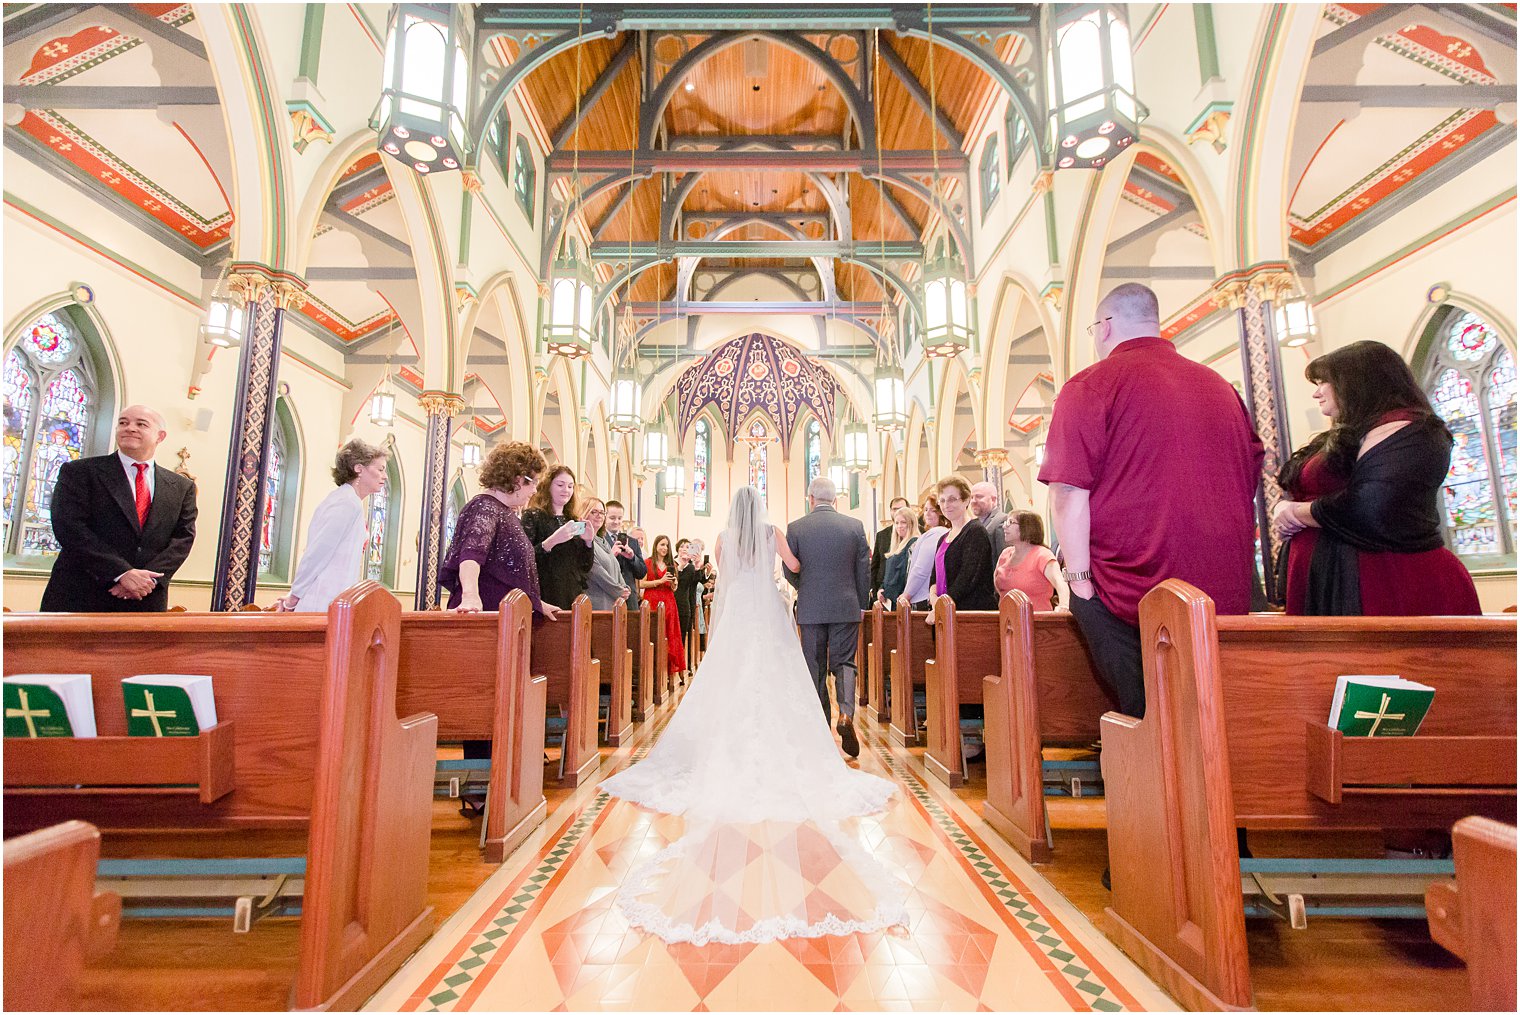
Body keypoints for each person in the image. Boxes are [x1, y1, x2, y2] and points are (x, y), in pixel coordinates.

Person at [600, 486, 907, 944]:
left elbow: (725, 576)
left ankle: (731, 743)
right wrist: (782, 565)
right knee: (779, 673)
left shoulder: (724, 537)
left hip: (740, 609)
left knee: (730, 674)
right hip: (766, 606)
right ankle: (812, 730)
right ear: (760, 509)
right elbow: (795, 567)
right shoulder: (773, 531)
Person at [1040, 283, 1263, 719]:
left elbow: (1067, 490)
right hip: (1224, 589)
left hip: (1131, 587)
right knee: (1210, 712)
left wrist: (1080, 580)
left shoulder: (1090, 384)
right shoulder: (1220, 386)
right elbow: (1249, 474)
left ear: (1105, 327)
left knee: (1152, 720)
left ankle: (1157, 782)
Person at [1272, 340, 1480, 616]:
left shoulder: (1416, 432)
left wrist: (1296, 513)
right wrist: (1282, 507)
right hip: (1331, 574)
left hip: (1387, 577)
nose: (1317, 393)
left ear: (1357, 382)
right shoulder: (1347, 434)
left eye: (1325, 382)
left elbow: (1371, 506)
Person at [41, 404, 197, 612]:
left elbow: (183, 539)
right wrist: (122, 573)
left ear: (160, 436)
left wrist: (146, 580)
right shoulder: (80, 472)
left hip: (145, 598)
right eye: (123, 423)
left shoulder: (180, 486)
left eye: (141, 424)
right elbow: (69, 527)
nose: (130, 428)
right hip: (82, 592)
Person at [784, 476, 872, 757]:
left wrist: (805, 589)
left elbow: (790, 569)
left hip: (811, 608)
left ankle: (821, 726)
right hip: (846, 606)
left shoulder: (796, 527)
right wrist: (859, 602)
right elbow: (863, 571)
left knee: (815, 665)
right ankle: (845, 714)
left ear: (810, 498)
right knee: (845, 662)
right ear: (835, 500)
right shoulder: (854, 526)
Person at [440, 441, 560, 621]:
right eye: (533, 482)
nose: (535, 490)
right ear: (518, 479)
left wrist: (536, 602)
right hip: (488, 614)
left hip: (508, 616)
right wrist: (470, 595)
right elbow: (471, 555)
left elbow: (506, 573)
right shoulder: (485, 507)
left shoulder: (504, 511)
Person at [275, 439, 387, 612]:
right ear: (359, 468)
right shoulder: (345, 502)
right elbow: (317, 552)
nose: (384, 476)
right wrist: (294, 598)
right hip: (321, 602)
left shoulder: (351, 502)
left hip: (337, 599)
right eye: (380, 469)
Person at [520, 465, 594, 609]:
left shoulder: (572, 519)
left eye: (570, 486)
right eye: (560, 485)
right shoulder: (533, 516)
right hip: (546, 592)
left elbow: (585, 566)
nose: (566, 490)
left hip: (572, 593)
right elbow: (525, 559)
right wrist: (552, 541)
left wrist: (589, 542)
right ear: (548, 486)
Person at [930, 476, 998, 614]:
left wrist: (943, 604)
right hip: (944, 610)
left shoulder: (975, 531)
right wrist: (933, 599)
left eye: (952, 499)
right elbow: (934, 576)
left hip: (970, 612)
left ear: (966, 500)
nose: (946, 505)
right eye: (942, 500)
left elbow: (968, 578)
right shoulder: (943, 538)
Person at [994, 511, 1063, 610]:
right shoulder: (1005, 554)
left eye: (1010, 522)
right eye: (1005, 523)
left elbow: (1060, 583)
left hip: (1038, 621)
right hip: (1008, 620)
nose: (1004, 526)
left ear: (1027, 527)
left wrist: (1063, 606)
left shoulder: (1042, 555)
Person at [641, 534, 686, 678]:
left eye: (667, 545)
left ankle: (668, 670)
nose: (665, 548)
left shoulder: (672, 565)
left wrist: (673, 583)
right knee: (653, 633)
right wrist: (659, 581)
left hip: (668, 602)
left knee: (669, 634)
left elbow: (674, 588)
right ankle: (652, 668)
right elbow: (641, 583)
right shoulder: (647, 563)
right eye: (662, 544)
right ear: (656, 546)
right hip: (651, 600)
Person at [583, 497, 631, 611]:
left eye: (602, 512)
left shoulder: (603, 541)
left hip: (613, 601)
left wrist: (625, 587)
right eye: (593, 512)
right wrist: (619, 591)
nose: (599, 515)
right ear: (584, 513)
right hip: (597, 601)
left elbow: (616, 568)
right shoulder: (584, 540)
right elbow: (596, 571)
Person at [903, 494, 950, 609]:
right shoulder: (944, 532)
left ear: (941, 513)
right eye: (925, 510)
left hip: (922, 595)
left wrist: (906, 594)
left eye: (933, 510)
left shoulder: (936, 533)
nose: (927, 513)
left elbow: (921, 569)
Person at [599, 500, 646, 604]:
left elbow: (641, 573)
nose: (616, 522)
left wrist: (632, 557)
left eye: (619, 518)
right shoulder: (598, 540)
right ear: (605, 518)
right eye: (612, 518)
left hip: (629, 598)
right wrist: (611, 555)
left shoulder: (632, 542)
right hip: (607, 596)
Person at [877, 506, 919, 607]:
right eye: (896, 523)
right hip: (890, 600)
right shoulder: (898, 545)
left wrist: (890, 593)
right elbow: (889, 574)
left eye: (903, 522)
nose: (899, 526)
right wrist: (881, 589)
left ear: (911, 523)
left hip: (903, 600)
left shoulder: (914, 543)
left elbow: (907, 574)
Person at [869, 496, 910, 598]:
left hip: (907, 590)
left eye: (901, 508)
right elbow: (875, 566)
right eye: (894, 509)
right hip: (883, 591)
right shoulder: (881, 535)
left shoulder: (919, 534)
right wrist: (875, 591)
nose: (897, 512)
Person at [674, 537, 700, 666]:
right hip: (671, 602)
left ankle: (683, 664)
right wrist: (680, 567)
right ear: (678, 548)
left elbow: (694, 582)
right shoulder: (671, 563)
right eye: (682, 546)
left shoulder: (690, 567)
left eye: (687, 547)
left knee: (683, 635)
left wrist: (696, 566)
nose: (684, 549)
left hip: (684, 604)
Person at [970, 481, 1009, 559]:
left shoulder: (1001, 520)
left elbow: (1003, 559)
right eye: (971, 497)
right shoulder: (973, 524)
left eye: (979, 496)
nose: (973, 501)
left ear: (993, 500)